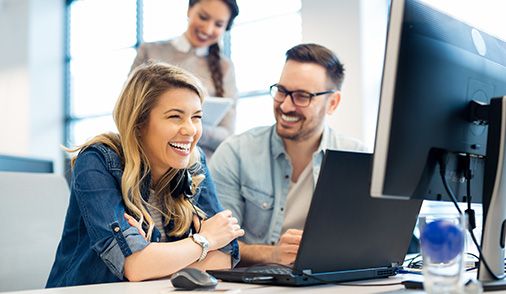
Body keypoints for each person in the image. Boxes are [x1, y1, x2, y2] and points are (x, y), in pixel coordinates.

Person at [46, 62, 244, 287]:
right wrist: (204, 240)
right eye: (175, 117)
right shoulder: (97, 160)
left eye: (196, 117)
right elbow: (136, 266)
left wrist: (154, 257)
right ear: (139, 122)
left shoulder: (193, 163)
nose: (190, 129)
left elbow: (224, 256)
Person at [208, 43, 366, 266]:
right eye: (281, 91)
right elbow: (216, 245)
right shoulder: (235, 153)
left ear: (332, 103)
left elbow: (371, 243)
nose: (285, 105)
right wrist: (272, 254)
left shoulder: (358, 159)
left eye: (302, 96)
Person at [131, 0, 239, 158]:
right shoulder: (150, 52)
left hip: (199, 169)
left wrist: (188, 127)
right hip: (149, 160)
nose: (208, 29)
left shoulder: (225, 68)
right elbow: (130, 109)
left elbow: (227, 135)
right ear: (189, 10)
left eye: (218, 24)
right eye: (203, 17)